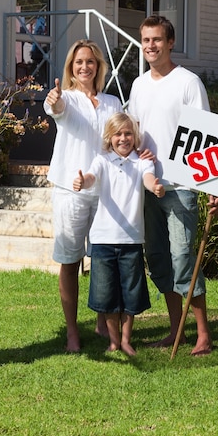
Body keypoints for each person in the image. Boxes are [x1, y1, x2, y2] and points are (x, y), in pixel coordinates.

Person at [128, 15, 218, 356]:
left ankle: (203, 333)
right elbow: (134, 132)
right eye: (145, 40)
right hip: (149, 185)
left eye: (156, 40)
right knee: (158, 258)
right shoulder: (138, 86)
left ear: (170, 43)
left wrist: (215, 186)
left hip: (182, 186)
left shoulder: (188, 83)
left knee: (184, 258)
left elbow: (208, 136)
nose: (150, 46)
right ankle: (175, 330)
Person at [44, 39, 122, 352]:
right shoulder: (67, 99)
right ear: (71, 67)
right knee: (70, 259)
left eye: (90, 61)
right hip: (70, 190)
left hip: (103, 190)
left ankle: (102, 321)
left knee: (103, 259)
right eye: (78, 62)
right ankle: (72, 332)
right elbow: (55, 108)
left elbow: (121, 140)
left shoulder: (113, 102)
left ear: (98, 66)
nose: (84, 67)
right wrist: (55, 100)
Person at [73, 112, 165, 356]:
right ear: (109, 138)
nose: (123, 138)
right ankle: (113, 340)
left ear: (135, 137)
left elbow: (147, 178)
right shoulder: (102, 160)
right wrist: (84, 181)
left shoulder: (142, 162)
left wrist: (154, 185)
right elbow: (92, 177)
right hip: (103, 240)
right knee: (106, 294)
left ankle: (126, 340)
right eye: (118, 134)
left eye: (128, 134)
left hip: (131, 241)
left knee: (130, 294)